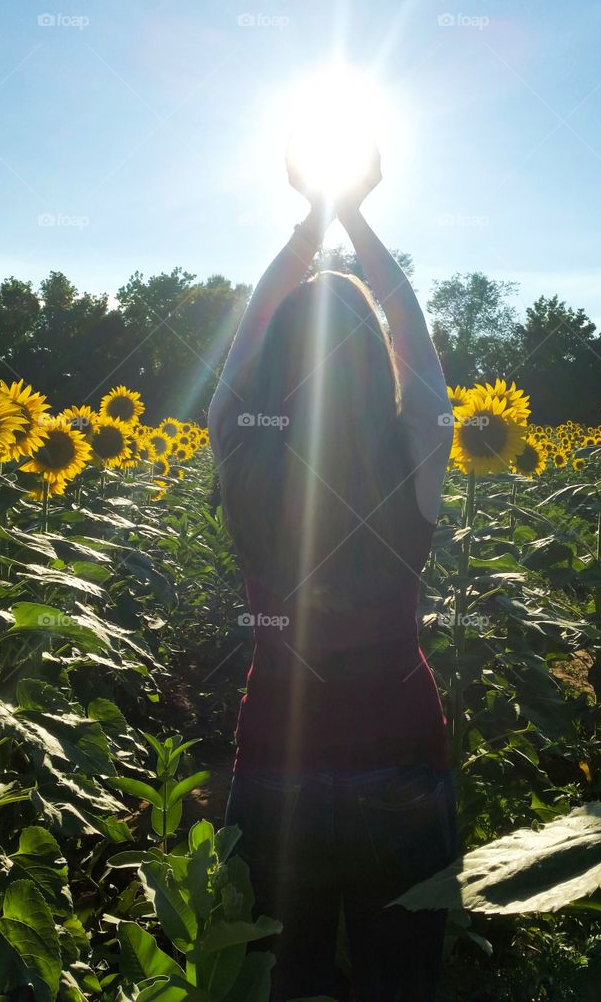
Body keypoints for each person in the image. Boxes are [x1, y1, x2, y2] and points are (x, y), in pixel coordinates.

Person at [207, 145, 457, 1002]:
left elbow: (243, 349)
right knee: (402, 982)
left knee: (283, 980)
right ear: (372, 363)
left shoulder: (243, 455)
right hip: (400, 763)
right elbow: (418, 354)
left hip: (277, 759)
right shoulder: (408, 454)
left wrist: (308, 226)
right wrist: (352, 217)